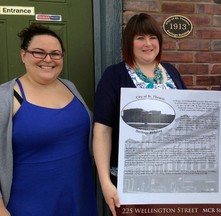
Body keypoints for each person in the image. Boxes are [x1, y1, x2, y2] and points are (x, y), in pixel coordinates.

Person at [93, 13, 186, 216]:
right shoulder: (114, 75)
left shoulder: (172, 72)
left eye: (152, 37)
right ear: (129, 43)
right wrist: (105, 182)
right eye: (140, 38)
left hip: (173, 175)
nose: (148, 44)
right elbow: (102, 131)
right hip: (130, 178)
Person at [0, 24, 98, 216]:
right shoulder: (6, 97)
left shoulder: (70, 87)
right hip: (30, 205)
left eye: (55, 54)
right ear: (23, 55)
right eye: (39, 52)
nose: (48, 59)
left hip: (79, 198)